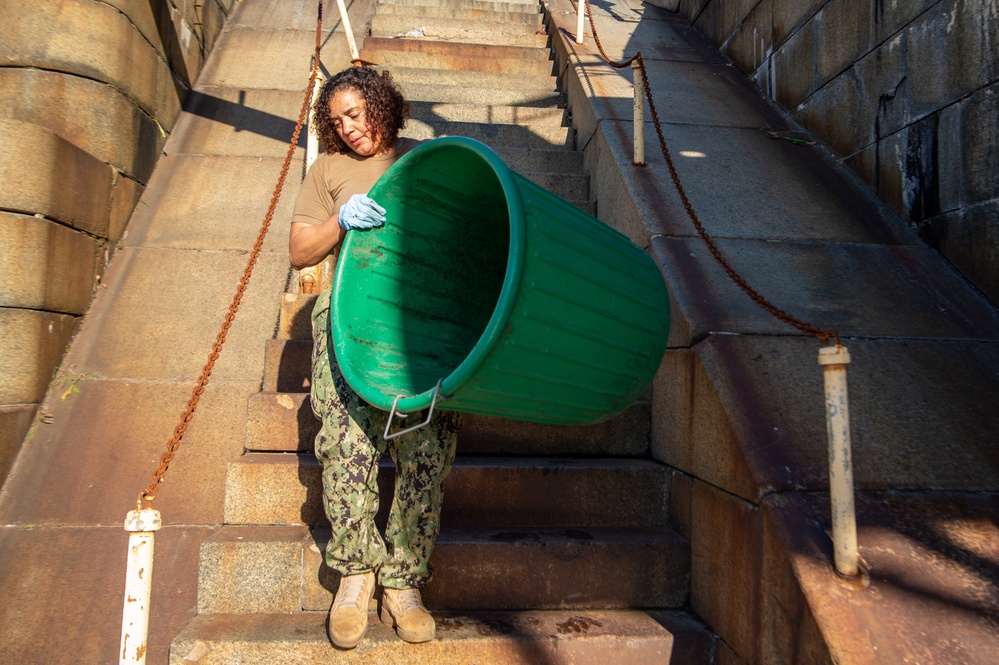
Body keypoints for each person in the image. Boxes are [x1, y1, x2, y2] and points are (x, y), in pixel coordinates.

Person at [288, 65, 461, 650]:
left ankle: (405, 581)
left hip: (418, 322)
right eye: (337, 120)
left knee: (427, 446)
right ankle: (356, 576)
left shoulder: (423, 157)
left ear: (382, 107)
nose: (349, 129)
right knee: (344, 442)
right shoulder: (328, 170)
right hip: (344, 318)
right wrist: (339, 218)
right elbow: (297, 249)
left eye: (356, 114)